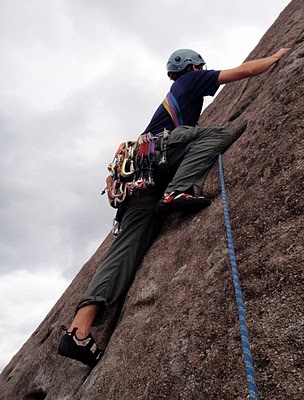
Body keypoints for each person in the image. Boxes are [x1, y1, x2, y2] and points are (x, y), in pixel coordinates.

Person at [58, 47, 289, 367]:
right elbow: (243, 72)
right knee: (219, 133)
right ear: (193, 66)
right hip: (160, 157)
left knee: (125, 249)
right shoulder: (190, 81)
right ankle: (178, 191)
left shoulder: (172, 100)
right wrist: (277, 56)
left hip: (140, 180)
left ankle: (78, 331)